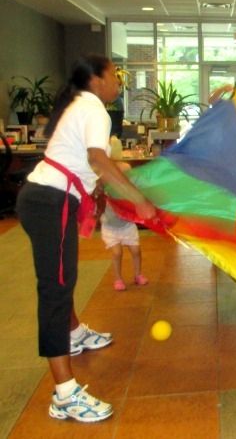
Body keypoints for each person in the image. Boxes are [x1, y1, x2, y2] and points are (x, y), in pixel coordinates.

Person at [16, 54, 157, 423]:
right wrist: (138, 199)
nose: (119, 82)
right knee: (55, 291)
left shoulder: (79, 103)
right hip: (50, 202)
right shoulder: (94, 107)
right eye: (115, 75)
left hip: (46, 199)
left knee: (62, 279)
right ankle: (65, 394)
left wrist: (93, 196)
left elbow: (81, 161)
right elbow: (97, 158)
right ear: (96, 80)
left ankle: (74, 332)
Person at [99, 162, 148, 291]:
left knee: (136, 251)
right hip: (110, 228)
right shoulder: (105, 191)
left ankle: (138, 275)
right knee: (117, 252)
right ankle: (118, 279)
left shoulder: (127, 191)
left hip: (127, 226)